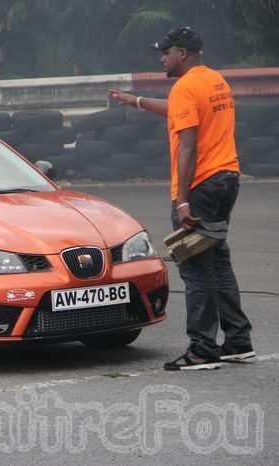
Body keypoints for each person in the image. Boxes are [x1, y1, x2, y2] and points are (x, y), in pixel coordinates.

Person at [109, 26, 254, 370]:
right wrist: (138, 102)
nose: (163, 58)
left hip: (200, 187)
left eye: (166, 52)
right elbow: (180, 110)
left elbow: (187, 143)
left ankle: (202, 349)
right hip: (226, 180)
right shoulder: (215, 81)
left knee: (195, 269)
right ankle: (238, 340)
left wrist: (184, 200)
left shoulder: (186, 86)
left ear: (183, 54)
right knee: (218, 262)